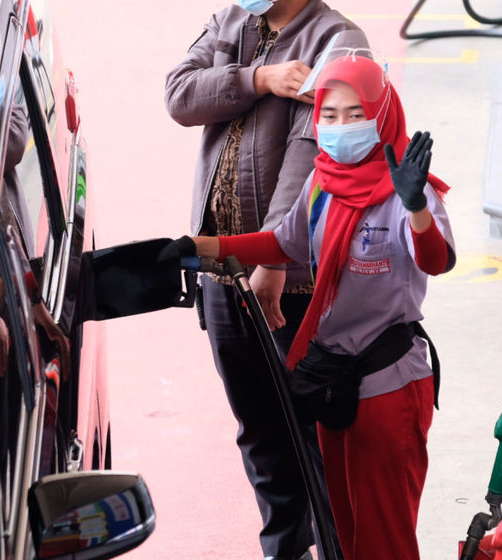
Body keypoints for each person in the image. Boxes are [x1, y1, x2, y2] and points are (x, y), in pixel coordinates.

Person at [186, 53, 456, 560]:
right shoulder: (323, 183)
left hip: (388, 384)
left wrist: (417, 207)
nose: (339, 127)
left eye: (355, 114)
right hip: (335, 384)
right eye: (328, 115)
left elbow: (436, 260)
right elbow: (281, 244)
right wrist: (207, 249)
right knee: (345, 535)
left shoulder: (407, 194)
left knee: (385, 541)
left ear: (382, 114)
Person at [164, 2, 363, 559]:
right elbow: (180, 95)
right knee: (258, 429)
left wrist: (275, 259)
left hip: (290, 283)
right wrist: (259, 78)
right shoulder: (232, 22)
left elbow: (312, 154)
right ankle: (286, 549)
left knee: (313, 437)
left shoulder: (337, 39)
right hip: (223, 275)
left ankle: (338, 549)